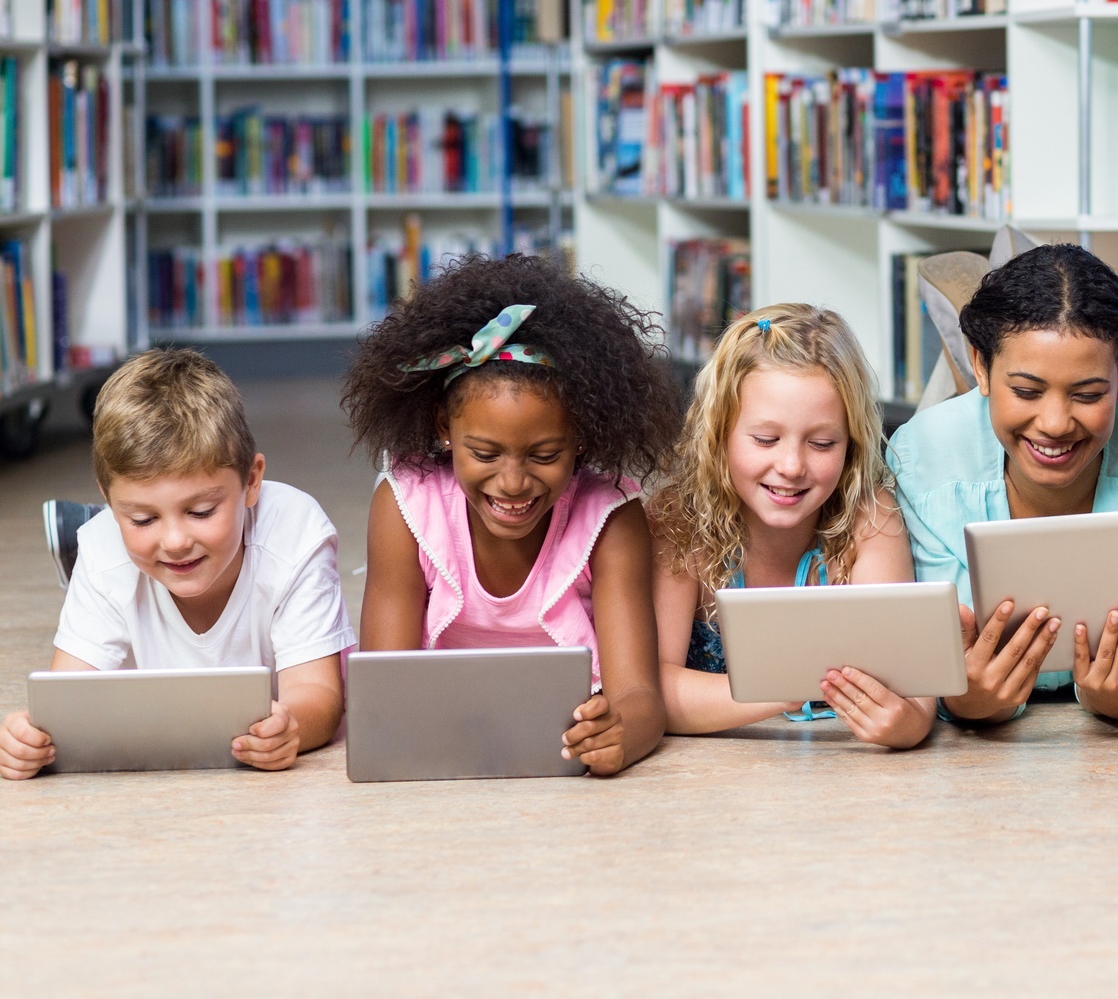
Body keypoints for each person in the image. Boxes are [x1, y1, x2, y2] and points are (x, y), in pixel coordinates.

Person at [342, 253, 679, 776]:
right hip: (438, 742)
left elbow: (640, 697)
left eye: (544, 455)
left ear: (583, 439)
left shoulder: (611, 517)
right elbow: (385, 690)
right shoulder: (406, 506)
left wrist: (621, 734)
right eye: (485, 453)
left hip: (570, 747)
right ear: (443, 428)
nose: (514, 482)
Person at [890, 244, 1118, 725]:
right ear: (981, 367)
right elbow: (933, 664)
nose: (1054, 422)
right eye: (1025, 391)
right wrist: (962, 698)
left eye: (1088, 395)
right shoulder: (921, 456)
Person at [0, 350, 352, 779]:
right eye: (143, 519)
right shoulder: (105, 548)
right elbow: (66, 699)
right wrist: (32, 737)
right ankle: (88, 549)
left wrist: (290, 728)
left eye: (202, 511)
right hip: (110, 561)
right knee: (108, 558)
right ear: (110, 502)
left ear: (252, 481)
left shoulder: (296, 534)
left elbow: (319, 694)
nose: (175, 542)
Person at [649, 305, 935, 748]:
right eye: (765, 439)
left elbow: (915, 691)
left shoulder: (871, 518)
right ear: (718, 433)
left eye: (822, 443)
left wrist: (907, 725)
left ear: (852, 444)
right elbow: (652, 693)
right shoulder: (678, 525)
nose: (791, 466)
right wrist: (786, 685)